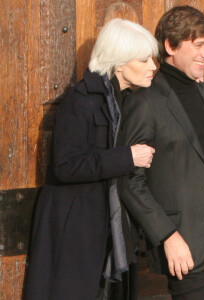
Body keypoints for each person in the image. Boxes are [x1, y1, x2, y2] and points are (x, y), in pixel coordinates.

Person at [120, 6, 204, 300]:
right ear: (170, 45)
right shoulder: (145, 100)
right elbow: (130, 181)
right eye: (199, 46)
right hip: (182, 238)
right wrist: (167, 235)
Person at [24, 18, 158, 300]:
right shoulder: (80, 99)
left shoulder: (126, 101)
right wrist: (127, 157)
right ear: (119, 61)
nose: (153, 66)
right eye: (144, 59)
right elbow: (66, 165)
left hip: (110, 230)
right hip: (76, 229)